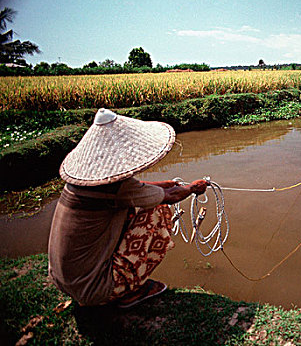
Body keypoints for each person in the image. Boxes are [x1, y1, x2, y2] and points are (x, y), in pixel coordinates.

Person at [48, 108, 209, 308]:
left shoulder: (82, 183)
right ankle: (130, 289)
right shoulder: (116, 188)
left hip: (66, 282)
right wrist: (193, 188)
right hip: (94, 289)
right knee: (157, 212)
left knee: (140, 206)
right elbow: (170, 197)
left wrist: (163, 185)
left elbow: (135, 191)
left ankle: (120, 279)